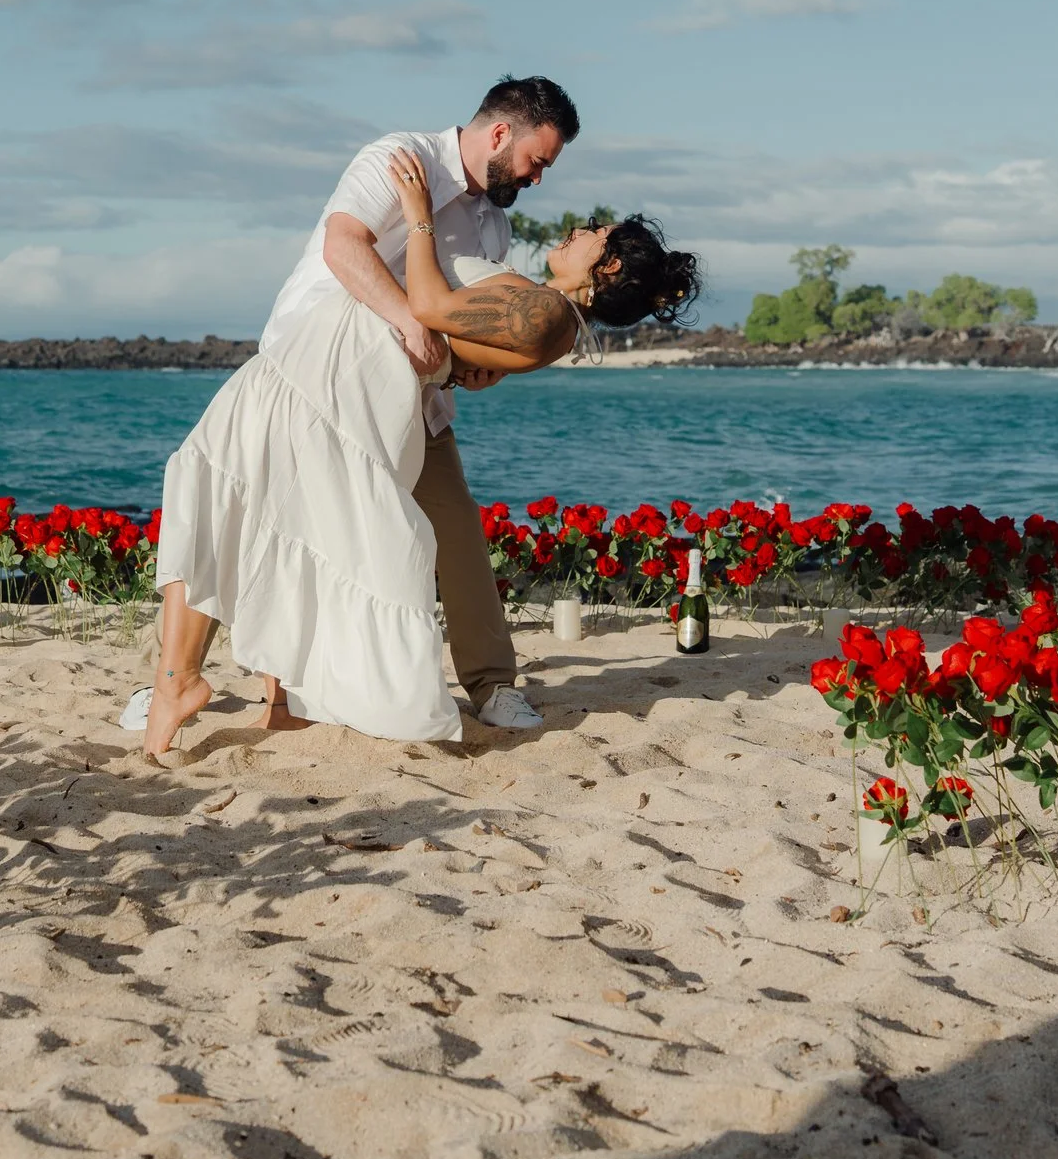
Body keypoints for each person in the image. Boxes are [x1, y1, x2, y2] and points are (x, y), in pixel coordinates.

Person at [137, 79, 701, 752]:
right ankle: (231, 689)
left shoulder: (509, 248)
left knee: (265, 501)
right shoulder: (404, 158)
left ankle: (210, 684)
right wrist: (456, 346)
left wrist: (448, 319)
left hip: (376, 385)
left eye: (547, 170)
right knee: (245, 496)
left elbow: (444, 312)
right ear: (500, 135)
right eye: (537, 161)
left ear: (604, 268)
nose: (542, 182)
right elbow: (345, 247)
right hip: (321, 361)